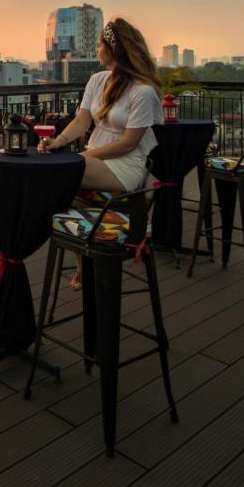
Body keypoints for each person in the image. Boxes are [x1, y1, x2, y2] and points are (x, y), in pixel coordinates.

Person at [41, 17, 163, 288]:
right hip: (96, 158)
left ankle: (21, 229)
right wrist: (57, 142)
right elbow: (82, 121)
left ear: (113, 49)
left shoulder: (143, 92)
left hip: (126, 166)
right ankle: (81, 262)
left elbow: (129, 143)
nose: (96, 50)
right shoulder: (98, 81)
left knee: (60, 175)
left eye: (99, 45)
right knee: (58, 180)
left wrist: (82, 158)